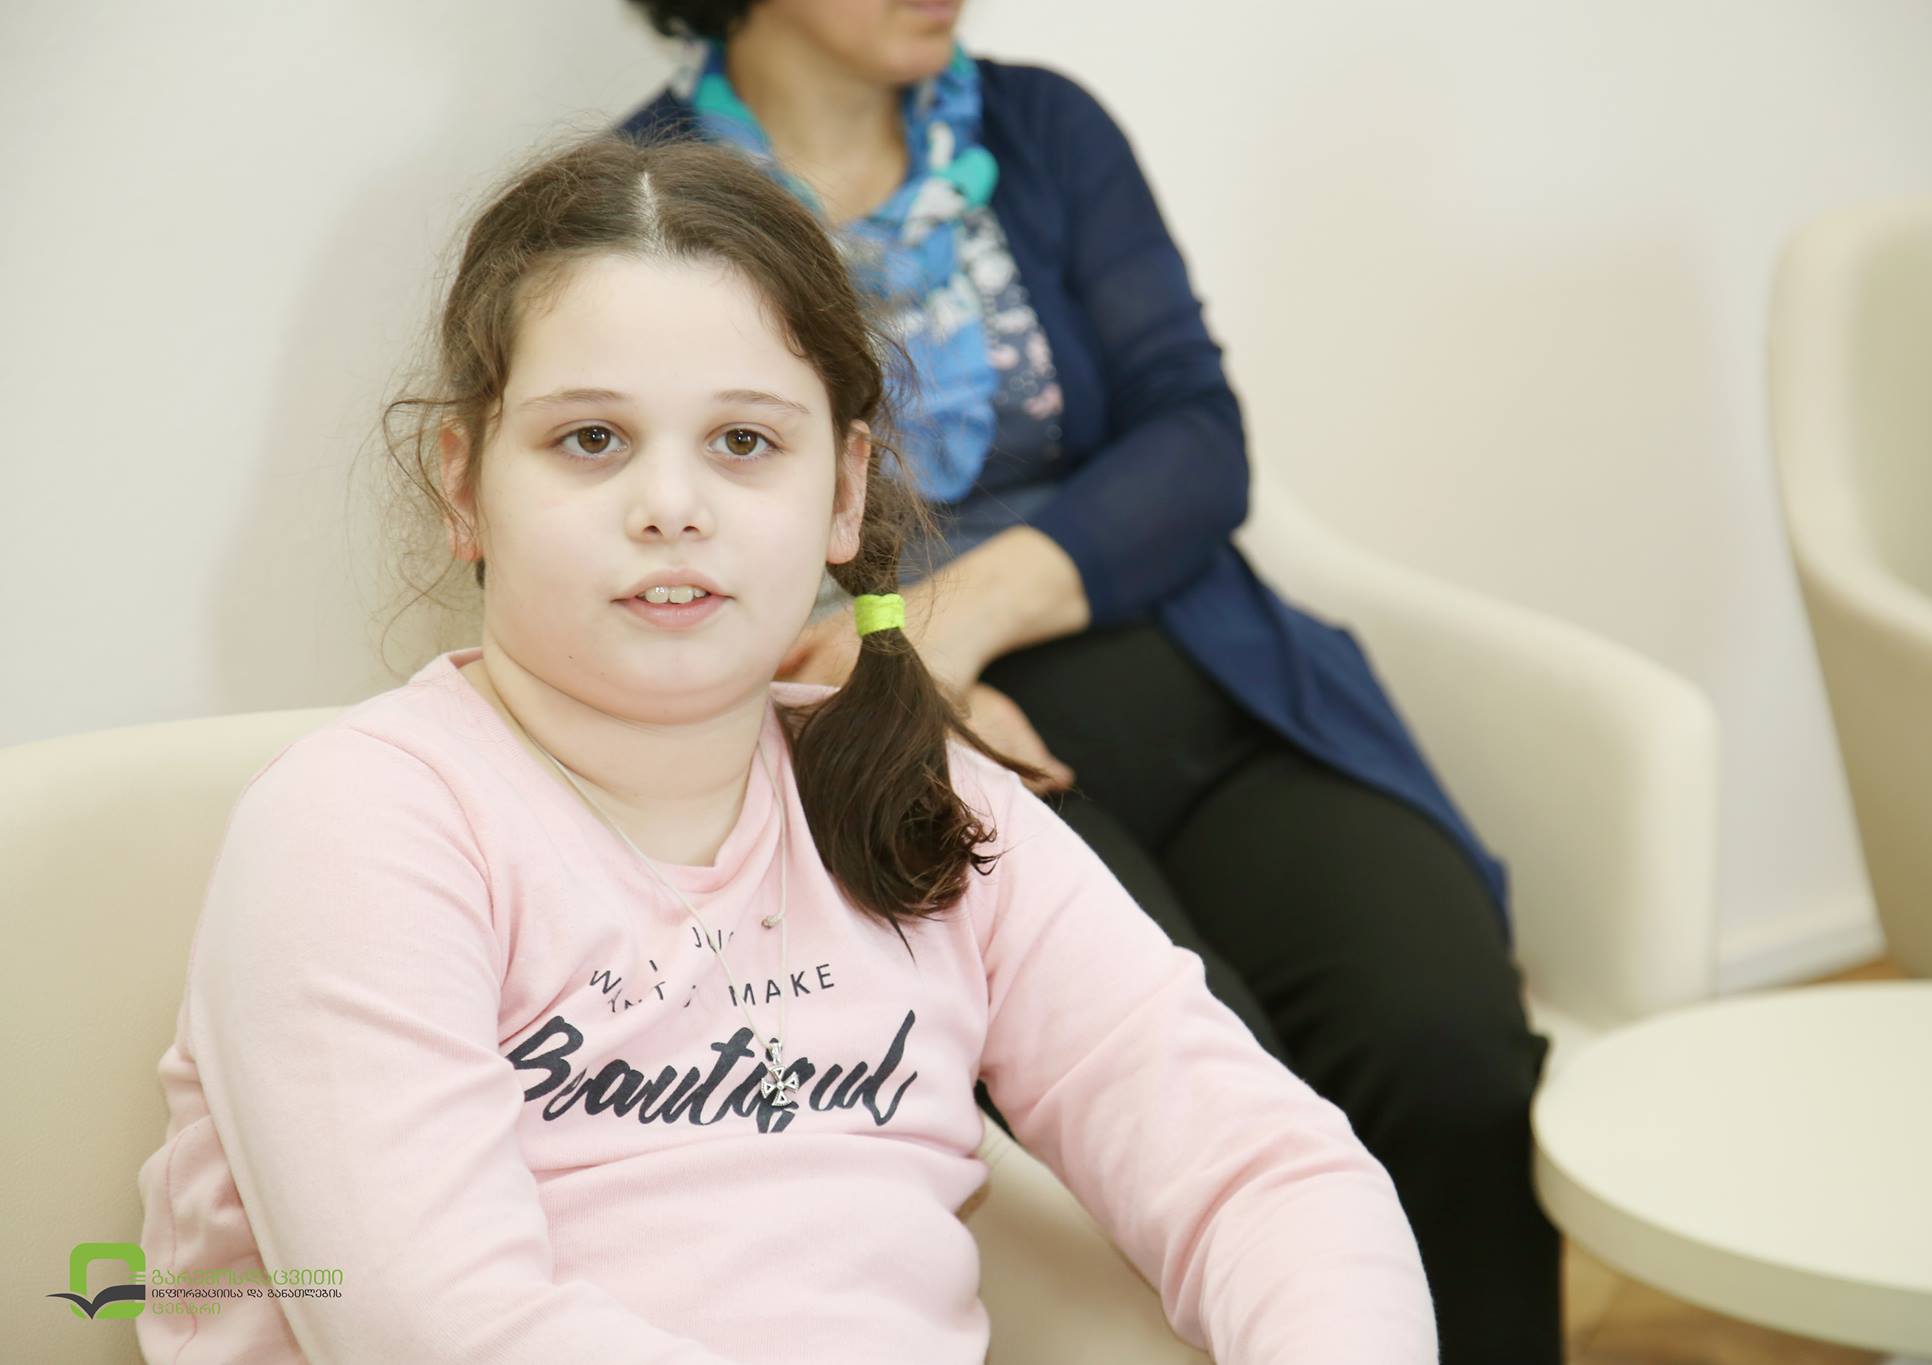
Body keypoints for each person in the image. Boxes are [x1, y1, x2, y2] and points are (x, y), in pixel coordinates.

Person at [132, 133, 1437, 1362]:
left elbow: (1266, 1173)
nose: (671, 506)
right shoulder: (361, 830)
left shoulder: (926, 797)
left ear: (845, 491)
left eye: (744, 442)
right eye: (591, 439)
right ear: (465, 485)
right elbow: (446, 1330)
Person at [615, 4, 1563, 1362]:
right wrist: (898, 677)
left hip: (1207, 681)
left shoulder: (1041, 130)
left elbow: (1198, 440)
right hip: (941, 754)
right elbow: (653, 544)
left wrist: (955, 618)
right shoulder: (648, 205)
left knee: (1452, 1055)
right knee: (1212, 1111)